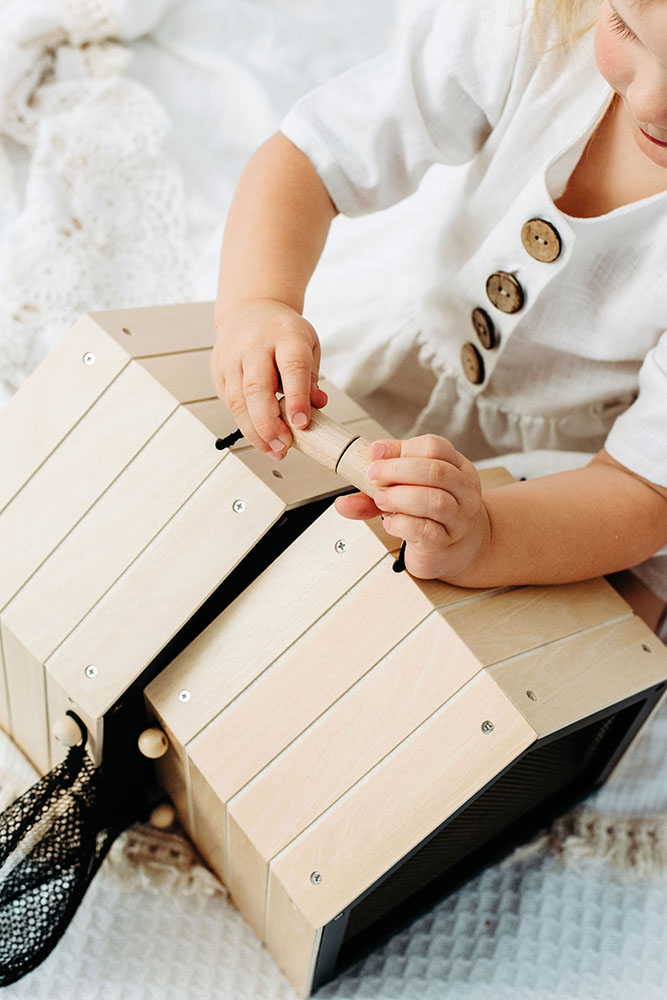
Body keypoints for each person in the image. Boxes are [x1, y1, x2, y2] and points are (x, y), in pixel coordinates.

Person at [210, 0, 667, 621]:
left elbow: (643, 487)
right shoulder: (540, 23)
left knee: (584, 648)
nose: (652, 103)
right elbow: (309, 159)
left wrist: (485, 538)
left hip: (572, 487)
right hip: (403, 350)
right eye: (627, 31)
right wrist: (256, 304)